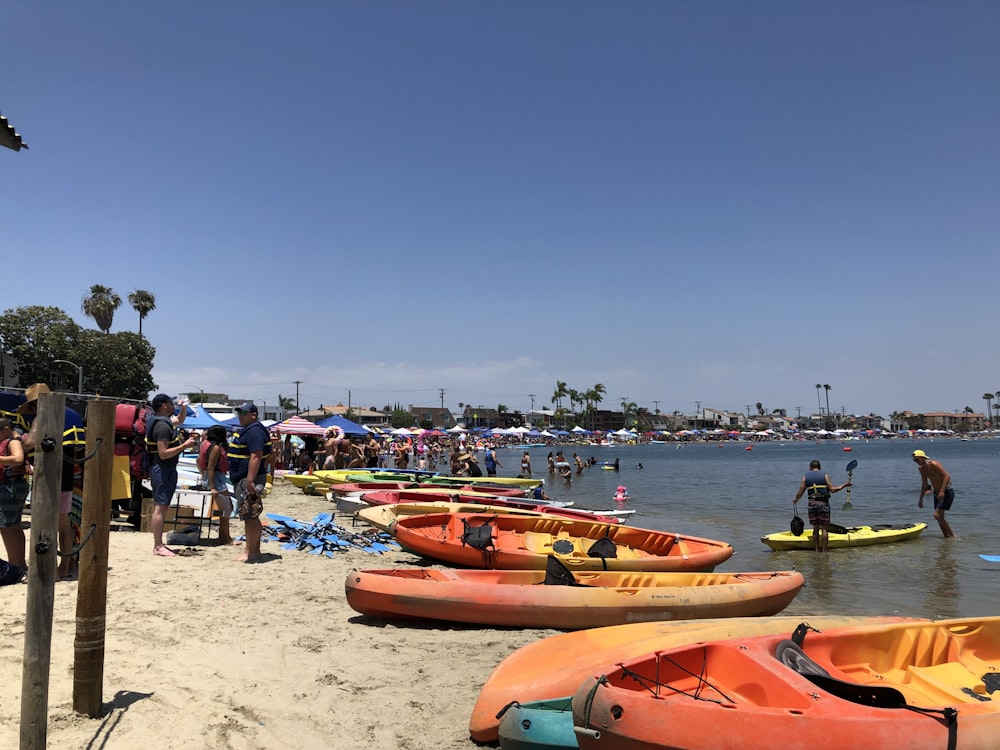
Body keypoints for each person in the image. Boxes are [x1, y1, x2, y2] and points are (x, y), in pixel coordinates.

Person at [18, 383, 88, 577]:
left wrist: (17, 439)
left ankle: (50, 570)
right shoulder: (71, 414)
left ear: (35, 404)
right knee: (64, 523)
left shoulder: (43, 415)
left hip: (50, 475)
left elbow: (29, 444)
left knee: (45, 524)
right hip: (70, 472)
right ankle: (65, 565)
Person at [145, 394, 197, 557]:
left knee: (163, 505)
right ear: (164, 405)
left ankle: (158, 544)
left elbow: (179, 421)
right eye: (170, 403)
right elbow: (163, 453)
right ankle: (158, 546)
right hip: (162, 468)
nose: (172, 405)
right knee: (160, 507)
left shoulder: (163, 421)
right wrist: (185, 445)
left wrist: (182, 408)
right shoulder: (163, 427)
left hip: (164, 468)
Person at [228, 402, 271, 562]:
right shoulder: (253, 430)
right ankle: (255, 551)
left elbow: (256, 456)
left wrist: (250, 480)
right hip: (246, 477)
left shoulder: (254, 431)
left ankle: (249, 552)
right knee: (252, 514)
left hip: (248, 478)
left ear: (253, 415)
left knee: (249, 515)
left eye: (244, 413)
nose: (241, 416)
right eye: (239, 413)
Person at [793, 459, 851, 553]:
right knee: (824, 528)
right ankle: (824, 551)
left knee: (815, 529)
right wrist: (845, 485)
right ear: (820, 468)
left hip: (812, 503)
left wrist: (795, 500)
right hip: (823, 503)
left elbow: (800, 492)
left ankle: (816, 550)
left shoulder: (805, 477)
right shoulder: (825, 475)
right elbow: (833, 489)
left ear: (810, 468)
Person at [0, 417, 29, 574]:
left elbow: (18, 459)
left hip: (9, 487)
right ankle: (19, 565)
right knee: (14, 526)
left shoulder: (13, 441)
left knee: (6, 526)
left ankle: (14, 566)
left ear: (5, 430)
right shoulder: (15, 439)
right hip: (13, 486)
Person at [198, 425, 235, 545]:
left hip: (213, 477)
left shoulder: (205, 444)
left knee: (225, 508)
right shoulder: (215, 448)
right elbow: (211, 467)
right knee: (227, 507)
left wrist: (203, 476)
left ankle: (223, 536)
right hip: (217, 479)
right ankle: (225, 538)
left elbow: (198, 461)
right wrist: (212, 486)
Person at [913, 449, 956, 538]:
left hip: (946, 491)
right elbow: (924, 484)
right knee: (940, 518)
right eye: (914, 460)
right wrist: (921, 499)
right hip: (937, 493)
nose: (916, 462)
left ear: (923, 458)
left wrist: (942, 491)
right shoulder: (922, 469)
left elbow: (947, 476)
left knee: (937, 515)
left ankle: (952, 536)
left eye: (917, 459)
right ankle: (946, 537)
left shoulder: (934, 464)